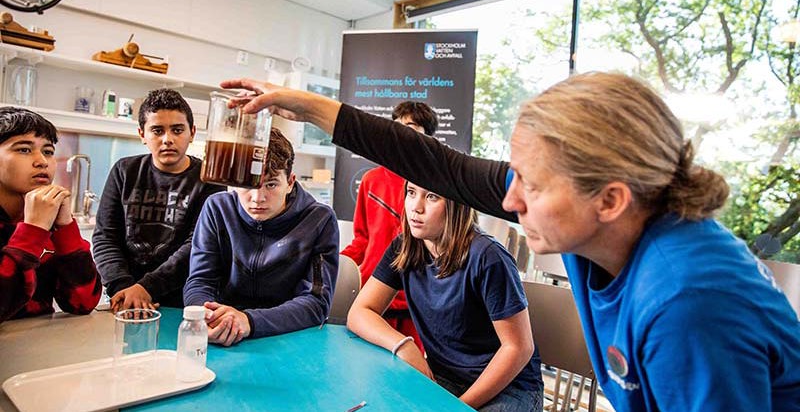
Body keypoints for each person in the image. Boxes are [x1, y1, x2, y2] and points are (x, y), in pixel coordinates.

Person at [221, 73, 800, 411]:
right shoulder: (604, 221)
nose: (512, 199)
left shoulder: (686, 302)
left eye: (533, 184)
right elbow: (436, 162)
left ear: (611, 199)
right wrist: (303, 104)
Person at [347, 180, 543, 411]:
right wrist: (404, 346)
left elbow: (519, 348)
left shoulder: (488, 257)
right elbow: (360, 312)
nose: (416, 207)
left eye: (431, 197)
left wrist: (456, 408)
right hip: (444, 378)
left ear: (456, 204)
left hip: (508, 388)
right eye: (411, 193)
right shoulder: (405, 246)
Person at [183, 127, 339, 346]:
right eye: (248, 184)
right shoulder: (216, 208)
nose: (258, 198)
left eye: (271, 184)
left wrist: (248, 321)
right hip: (224, 331)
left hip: (288, 338)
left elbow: (316, 303)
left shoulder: (320, 220)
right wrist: (208, 316)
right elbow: (200, 280)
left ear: (290, 181)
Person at [93, 88, 225, 312]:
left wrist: (146, 289)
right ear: (142, 134)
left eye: (177, 130)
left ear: (192, 133)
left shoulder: (209, 179)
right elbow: (105, 237)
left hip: (183, 301)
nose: (167, 139)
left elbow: (197, 246)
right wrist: (124, 289)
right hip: (125, 298)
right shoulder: (124, 171)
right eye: (157, 130)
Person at [341, 101, 438, 349]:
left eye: (412, 127)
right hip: (371, 296)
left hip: (415, 300)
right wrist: (333, 262)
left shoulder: (436, 185)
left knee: (409, 372)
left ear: (428, 136)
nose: (402, 133)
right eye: (397, 127)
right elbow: (362, 239)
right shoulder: (371, 180)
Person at [0, 106, 101, 323]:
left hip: (38, 347)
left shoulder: (47, 219)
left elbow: (83, 302)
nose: (42, 161)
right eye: (24, 150)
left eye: (47, 151)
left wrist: (65, 227)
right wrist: (32, 231)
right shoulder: (35, 225)